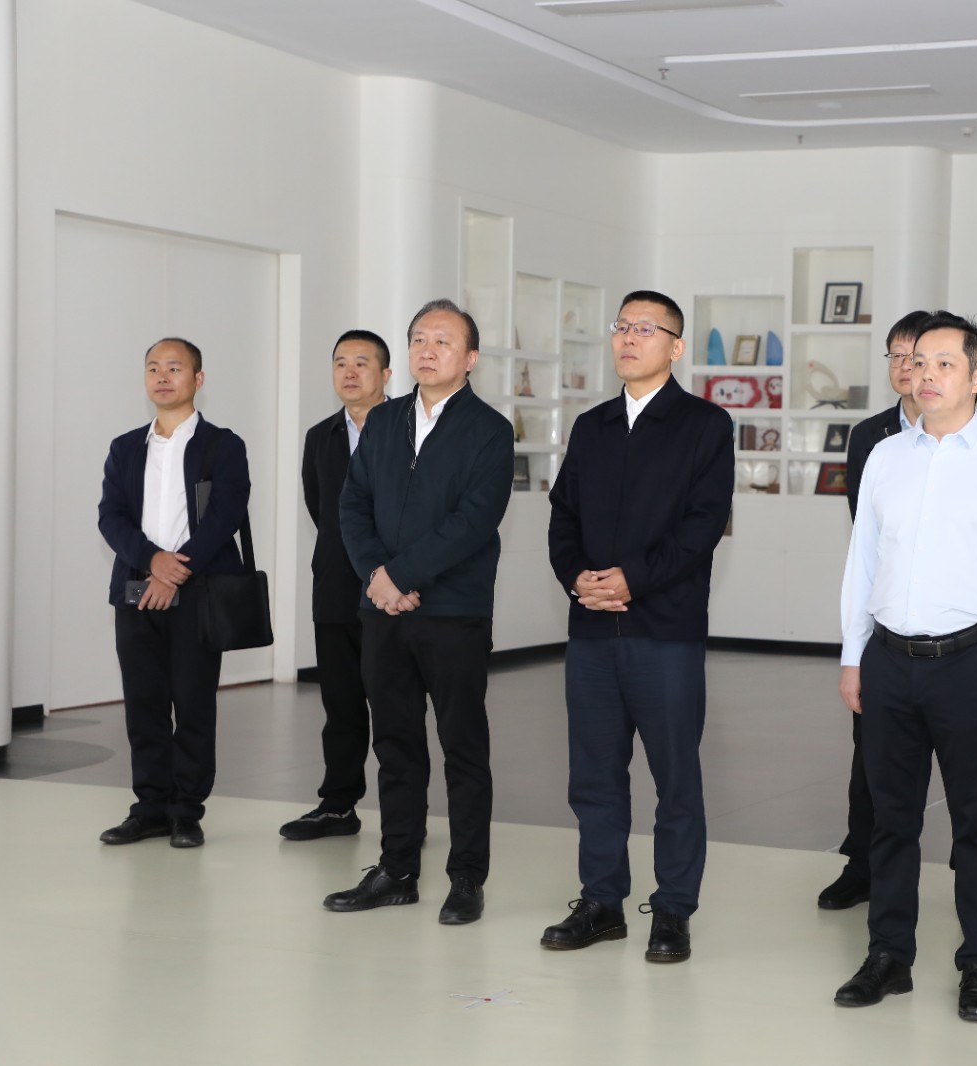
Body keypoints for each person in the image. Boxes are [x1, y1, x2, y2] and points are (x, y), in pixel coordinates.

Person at [834, 311, 977, 1023]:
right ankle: (888, 955)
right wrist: (852, 656)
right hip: (888, 660)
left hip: (970, 664)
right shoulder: (885, 456)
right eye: (918, 362)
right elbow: (863, 562)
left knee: (976, 822)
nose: (925, 374)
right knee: (890, 819)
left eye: (944, 364)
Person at [540, 289, 733, 964]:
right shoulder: (591, 426)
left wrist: (633, 579)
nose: (628, 338)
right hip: (592, 631)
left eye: (645, 329)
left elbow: (702, 527)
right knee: (593, 777)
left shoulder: (705, 425)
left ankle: (674, 909)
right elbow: (562, 516)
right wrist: (578, 577)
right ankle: (601, 902)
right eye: (622, 326)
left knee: (675, 779)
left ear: (676, 347)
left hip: (665, 632)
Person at [324, 299, 513, 926]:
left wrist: (400, 575)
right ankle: (397, 869)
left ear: (471, 357)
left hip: (453, 612)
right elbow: (352, 506)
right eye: (418, 340)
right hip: (383, 611)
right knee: (395, 744)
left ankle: (467, 878)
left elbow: (474, 521)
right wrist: (378, 578)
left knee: (463, 748)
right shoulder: (383, 421)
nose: (427, 351)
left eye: (443, 341)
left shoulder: (490, 430)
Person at [96, 338, 250, 850]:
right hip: (135, 590)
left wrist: (172, 570)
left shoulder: (222, 446)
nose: (162, 377)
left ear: (198, 379)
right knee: (143, 705)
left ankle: (186, 811)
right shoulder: (125, 448)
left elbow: (225, 516)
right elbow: (111, 517)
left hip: (199, 591)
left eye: (175, 368)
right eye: (153, 368)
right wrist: (150, 562)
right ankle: (150, 809)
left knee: (193, 703)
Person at [817, 310, 932, 911]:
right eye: (896, 355)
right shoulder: (869, 437)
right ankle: (861, 865)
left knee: (962, 767)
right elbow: (869, 534)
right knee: (872, 754)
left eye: (918, 355)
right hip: (884, 617)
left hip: (954, 627)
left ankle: (968, 874)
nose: (906, 367)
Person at [279, 330, 391, 841]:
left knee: (394, 710)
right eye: (340, 362)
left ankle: (403, 814)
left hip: (394, 591)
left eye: (361, 362)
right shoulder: (319, 436)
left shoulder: (410, 429)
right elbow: (319, 506)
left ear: (386, 374)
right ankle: (338, 807)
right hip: (335, 589)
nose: (349, 372)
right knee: (341, 707)